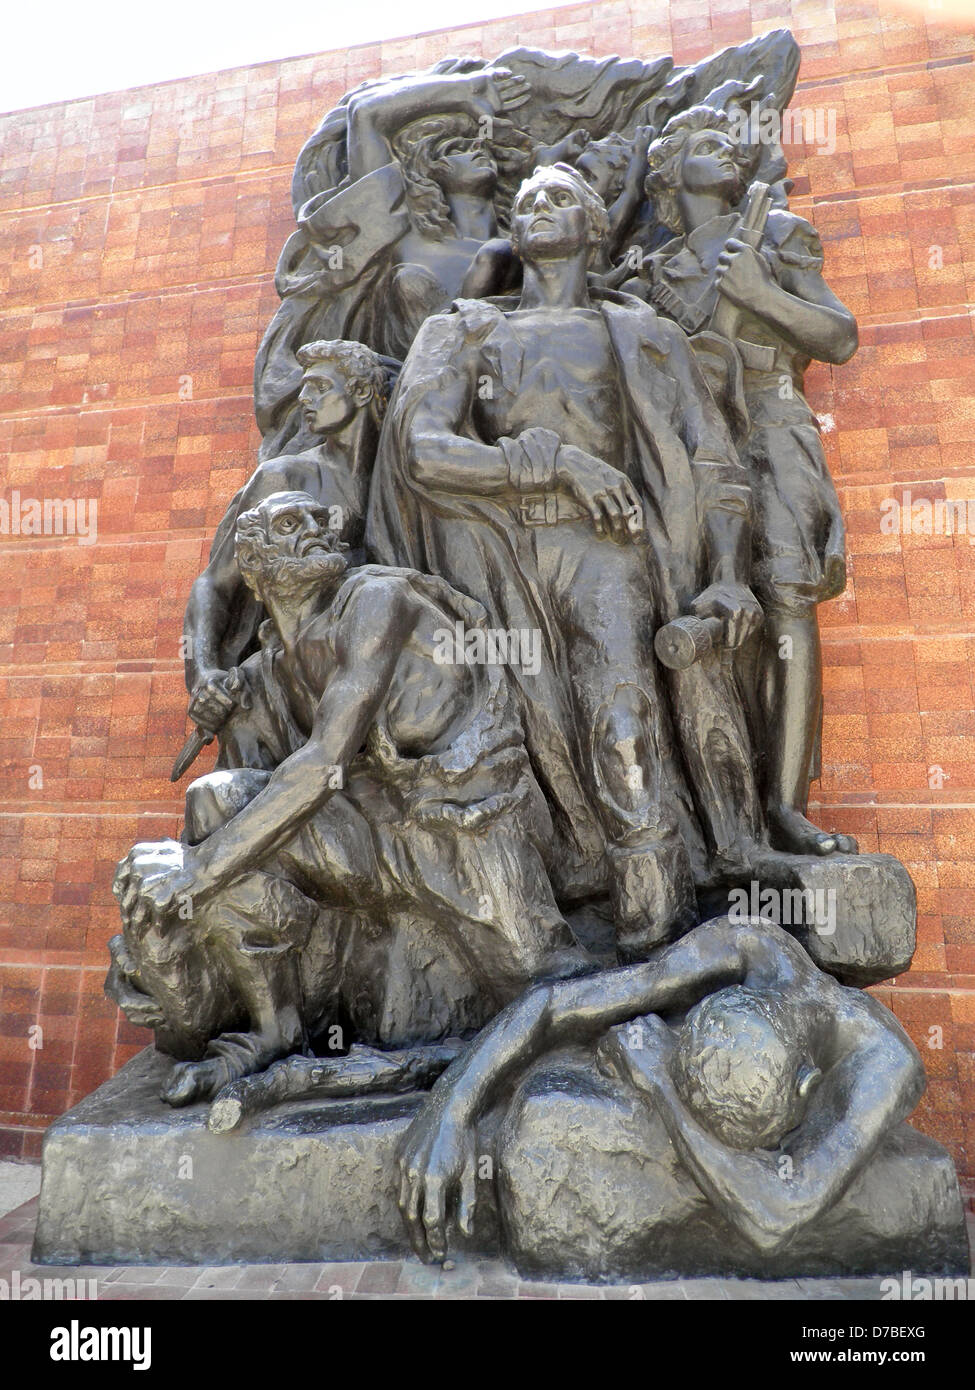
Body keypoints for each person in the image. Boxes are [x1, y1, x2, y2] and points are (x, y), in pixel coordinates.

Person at [368, 163, 767, 958]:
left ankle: (651, 926)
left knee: (621, 722)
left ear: (592, 225)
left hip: (608, 551)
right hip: (490, 557)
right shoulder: (462, 329)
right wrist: (552, 463)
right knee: (518, 729)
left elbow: (712, 460)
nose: (539, 209)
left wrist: (723, 574)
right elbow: (420, 449)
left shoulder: (646, 334)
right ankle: (530, 941)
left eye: (558, 198)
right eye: (526, 203)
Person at [110, 492, 586, 1106]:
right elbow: (271, 770)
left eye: (317, 517)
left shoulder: (375, 601)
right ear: (253, 564)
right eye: (289, 523)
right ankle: (275, 1029)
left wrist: (200, 871)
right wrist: (229, 701)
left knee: (543, 987)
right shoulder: (275, 663)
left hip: (464, 830)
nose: (314, 529)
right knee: (213, 802)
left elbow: (322, 763)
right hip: (374, 828)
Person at [396, 915, 924, 1263]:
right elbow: (556, 1004)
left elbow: (777, 1215)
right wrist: (451, 1106)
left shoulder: (883, 1066)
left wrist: (657, 1085)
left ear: (808, 1083)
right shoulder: (748, 950)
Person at [642, 106, 859, 855]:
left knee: (787, 599)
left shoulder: (775, 233)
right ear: (668, 173)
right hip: (690, 445)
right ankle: (713, 822)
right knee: (695, 607)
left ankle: (786, 808)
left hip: (770, 425)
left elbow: (838, 337)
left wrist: (761, 294)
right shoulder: (652, 274)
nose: (727, 147)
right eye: (703, 141)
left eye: (732, 140)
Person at [181, 339, 395, 746]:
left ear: (362, 392)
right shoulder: (285, 479)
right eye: (303, 387)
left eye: (318, 387)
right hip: (298, 671)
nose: (303, 398)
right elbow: (215, 583)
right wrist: (204, 672)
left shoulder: (399, 476)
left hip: (385, 667)